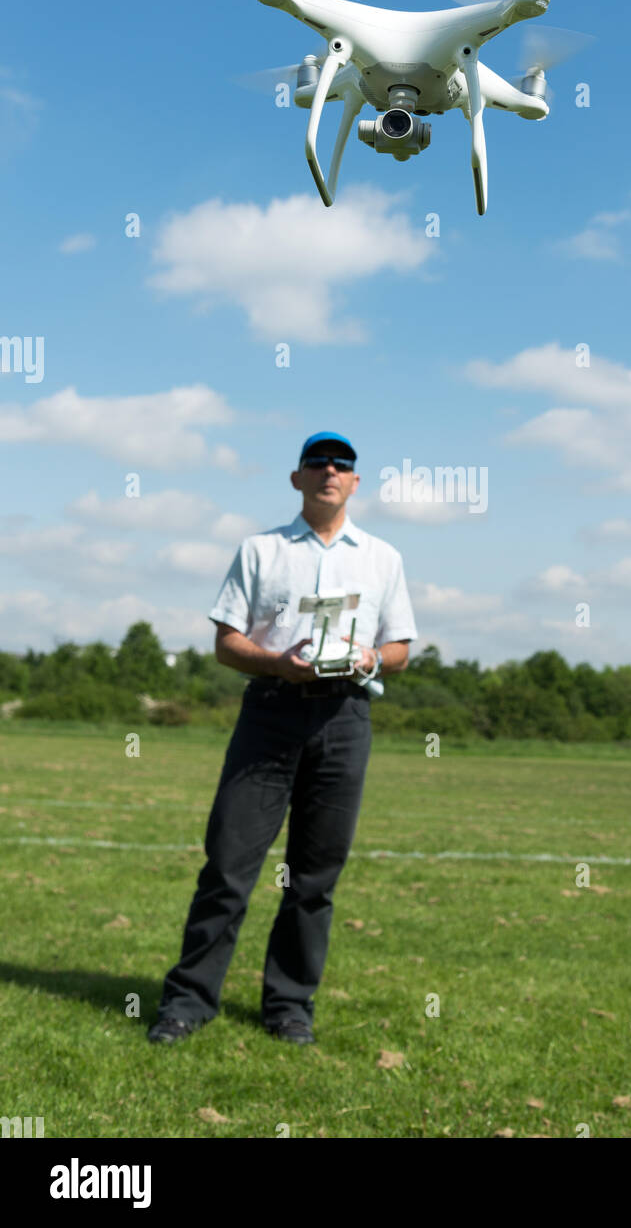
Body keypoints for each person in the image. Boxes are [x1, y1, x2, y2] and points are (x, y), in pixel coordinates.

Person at [147, 431, 417, 1046]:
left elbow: (400, 648)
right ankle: (187, 1003)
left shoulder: (383, 558)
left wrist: (370, 657)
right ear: (297, 479)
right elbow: (226, 644)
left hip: (344, 720)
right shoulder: (260, 550)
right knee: (229, 865)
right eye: (318, 462)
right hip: (270, 714)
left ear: (354, 483)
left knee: (315, 875)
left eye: (342, 464)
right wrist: (277, 664)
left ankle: (290, 1007)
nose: (330, 470)